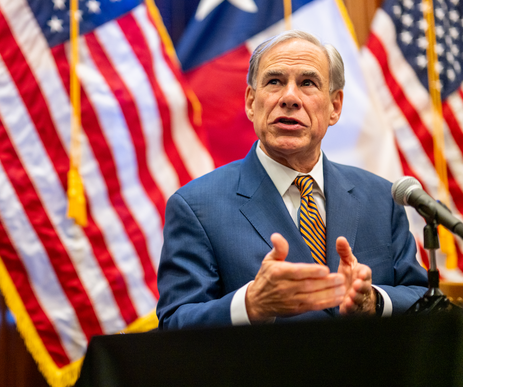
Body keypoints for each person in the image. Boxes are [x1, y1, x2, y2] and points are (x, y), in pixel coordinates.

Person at [156, 30, 428, 329]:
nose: (289, 98)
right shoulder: (196, 207)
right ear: (250, 101)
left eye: (307, 83)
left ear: (335, 106)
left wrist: (373, 302)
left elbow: (421, 297)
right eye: (274, 82)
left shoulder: (381, 198)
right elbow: (175, 323)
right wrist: (250, 305)